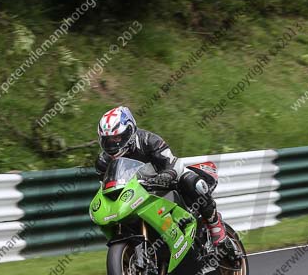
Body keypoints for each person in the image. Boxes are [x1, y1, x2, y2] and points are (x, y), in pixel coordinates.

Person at [94, 105, 227, 250]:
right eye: (108, 140)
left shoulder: (148, 141)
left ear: (130, 131)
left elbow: (173, 163)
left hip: (164, 184)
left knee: (191, 182)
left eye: (117, 138)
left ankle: (214, 224)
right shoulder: (103, 161)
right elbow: (106, 186)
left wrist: (165, 176)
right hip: (135, 194)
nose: (113, 144)